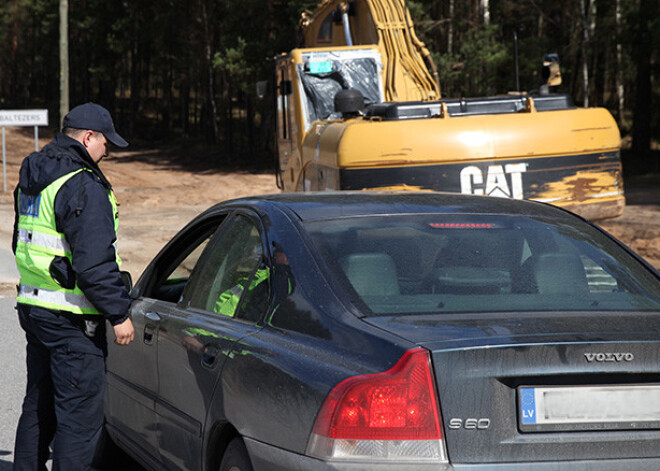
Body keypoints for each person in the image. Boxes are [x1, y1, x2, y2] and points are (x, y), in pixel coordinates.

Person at [12, 102, 135, 471]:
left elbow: (24, 239)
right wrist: (118, 313)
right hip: (73, 319)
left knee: (39, 407)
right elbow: (93, 261)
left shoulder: (35, 172)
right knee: (78, 424)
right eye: (104, 143)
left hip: (36, 309)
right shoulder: (82, 182)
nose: (107, 151)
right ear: (87, 137)